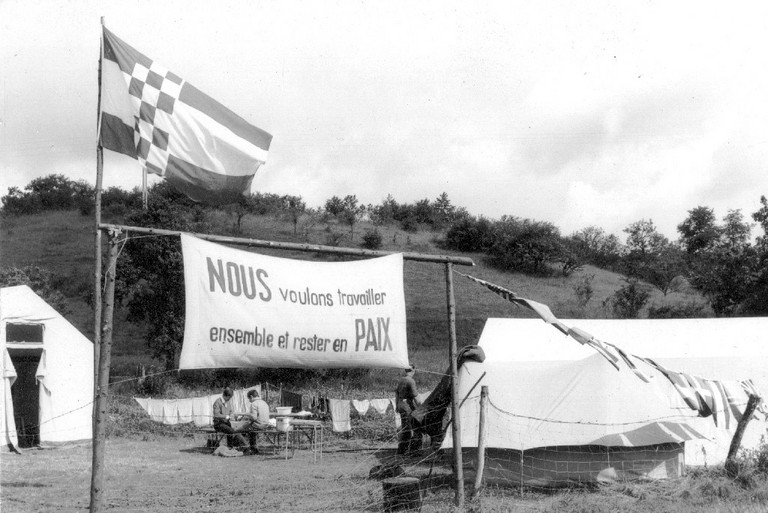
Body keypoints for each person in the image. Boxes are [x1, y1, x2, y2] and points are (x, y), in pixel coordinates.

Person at [395, 364, 420, 455]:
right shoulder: (411, 381)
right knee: (413, 428)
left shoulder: (401, 380)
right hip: (407, 406)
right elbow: (415, 397)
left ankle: (402, 449)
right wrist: (421, 407)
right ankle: (413, 451)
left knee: (405, 427)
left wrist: (397, 405)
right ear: (413, 370)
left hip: (401, 404)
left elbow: (397, 393)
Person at [241, 389, 271, 455]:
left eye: (249, 399)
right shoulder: (264, 403)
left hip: (258, 425)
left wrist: (247, 418)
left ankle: (247, 448)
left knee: (242, 429)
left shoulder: (253, 404)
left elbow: (254, 417)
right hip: (266, 424)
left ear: (251, 396)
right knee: (251, 429)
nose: (249, 401)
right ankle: (253, 448)